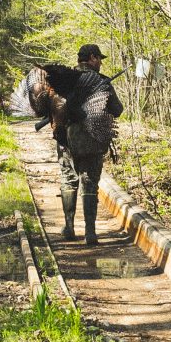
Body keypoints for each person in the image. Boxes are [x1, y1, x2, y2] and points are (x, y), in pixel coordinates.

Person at [55, 42, 125, 243]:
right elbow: (118, 110)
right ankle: (90, 233)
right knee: (89, 183)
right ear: (92, 58)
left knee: (69, 180)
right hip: (92, 139)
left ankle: (69, 229)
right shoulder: (100, 81)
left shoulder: (63, 80)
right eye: (99, 59)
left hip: (65, 140)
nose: (101, 64)